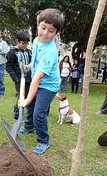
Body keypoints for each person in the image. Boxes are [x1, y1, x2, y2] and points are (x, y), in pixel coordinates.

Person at [19, 8, 64, 155]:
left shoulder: (50, 52)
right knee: (31, 107)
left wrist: (26, 99)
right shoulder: (37, 41)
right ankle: (29, 126)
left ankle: (44, 141)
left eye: (51, 31)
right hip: (38, 80)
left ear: (56, 33)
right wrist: (29, 66)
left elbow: (37, 79)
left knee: (38, 112)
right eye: (43, 28)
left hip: (49, 86)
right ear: (38, 25)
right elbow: (36, 60)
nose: (45, 33)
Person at [5, 30, 34, 120]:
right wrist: (15, 79)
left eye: (26, 43)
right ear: (17, 41)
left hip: (29, 78)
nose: (25, 45)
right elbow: (8, 67)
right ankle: (17, 114)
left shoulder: (29, 52)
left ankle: (28, 113)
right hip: (19, 79)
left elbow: (32, 64)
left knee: (29, 96)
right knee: (21, 96)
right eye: (22, 43)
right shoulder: (12, 52)